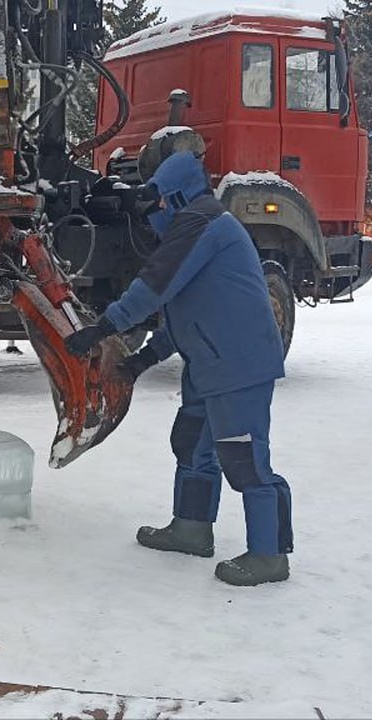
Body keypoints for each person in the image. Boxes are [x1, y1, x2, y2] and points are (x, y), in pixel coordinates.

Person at [64, 151, 293, 586]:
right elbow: (183, 312)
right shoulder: (197, 229)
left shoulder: (203, 222)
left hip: (237, 365)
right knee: (192, 444)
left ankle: (269, 554)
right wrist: (144, 360)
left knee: (243, 458)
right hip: (208, 363)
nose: (153, 216)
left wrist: (103, 327)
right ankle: (191, 528)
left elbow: (153, 287)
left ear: (175, 196)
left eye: (157, 206)